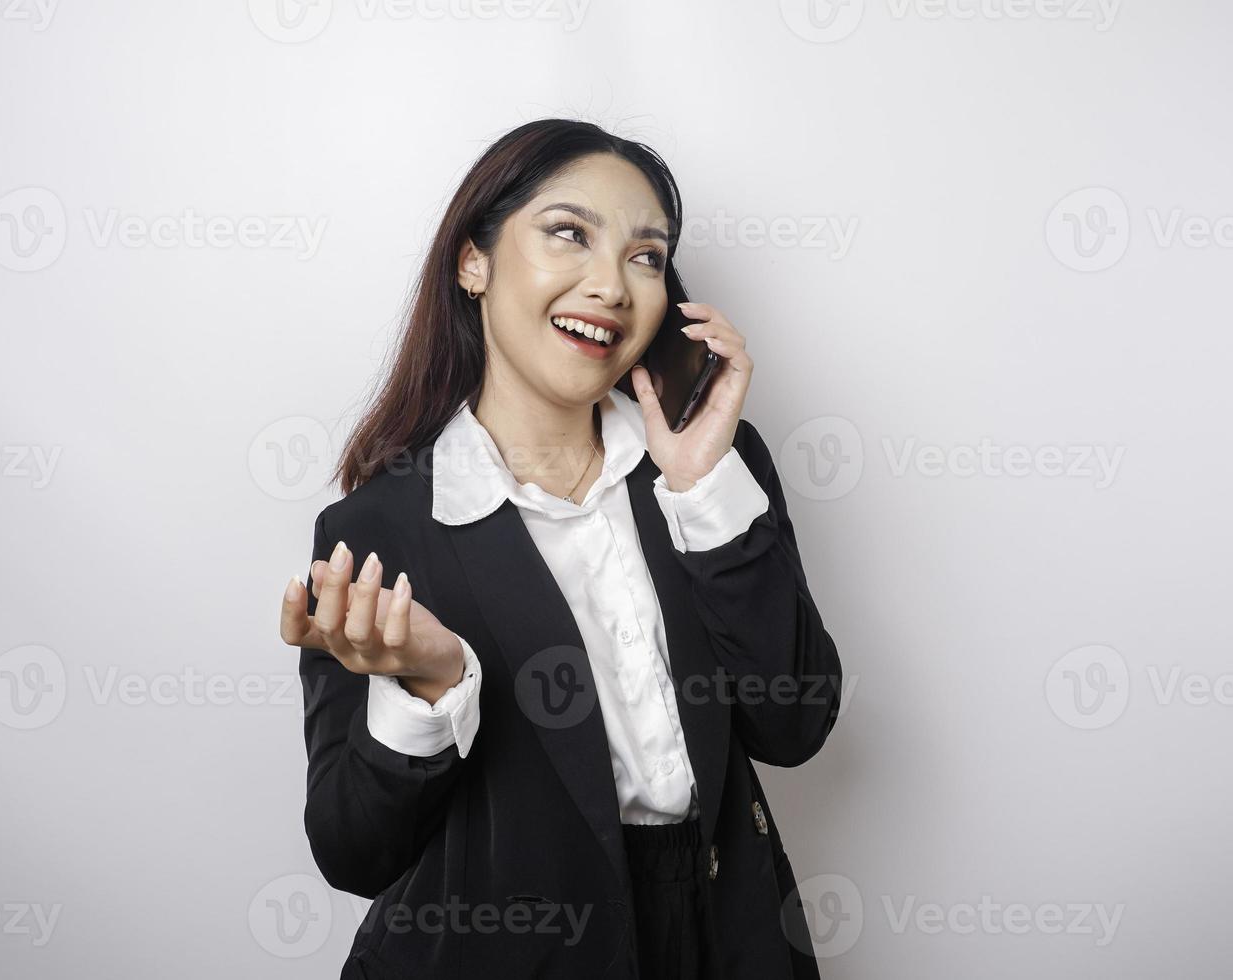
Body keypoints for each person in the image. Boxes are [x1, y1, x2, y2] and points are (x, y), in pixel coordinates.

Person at [278, 118, 843, 979]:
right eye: (568, 234)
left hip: (725, 937)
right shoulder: (380, 530)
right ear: (474, 261)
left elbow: (794, 724)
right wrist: (427, 691)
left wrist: (703, 491)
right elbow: (354, 854)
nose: (612, 286)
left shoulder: (709, 469)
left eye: (645, 256)